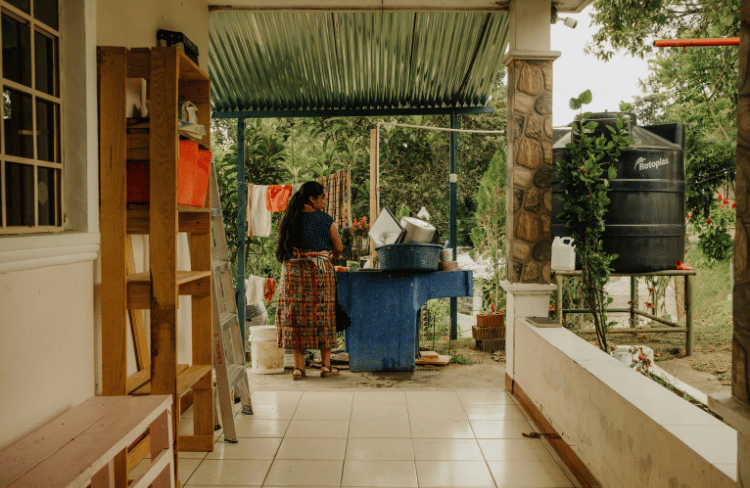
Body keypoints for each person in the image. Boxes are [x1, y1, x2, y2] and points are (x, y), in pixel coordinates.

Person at [275, 181, 344, 380]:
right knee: (324, 316)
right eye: (321, 197)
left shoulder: (289, 219)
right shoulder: (325, 220)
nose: (324, 201)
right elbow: (338, 248)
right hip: (319, 273)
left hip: (293, 274)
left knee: (296, 317)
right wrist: (336, 256)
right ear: (311, 199)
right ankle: (325, 366)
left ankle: (298, 368)